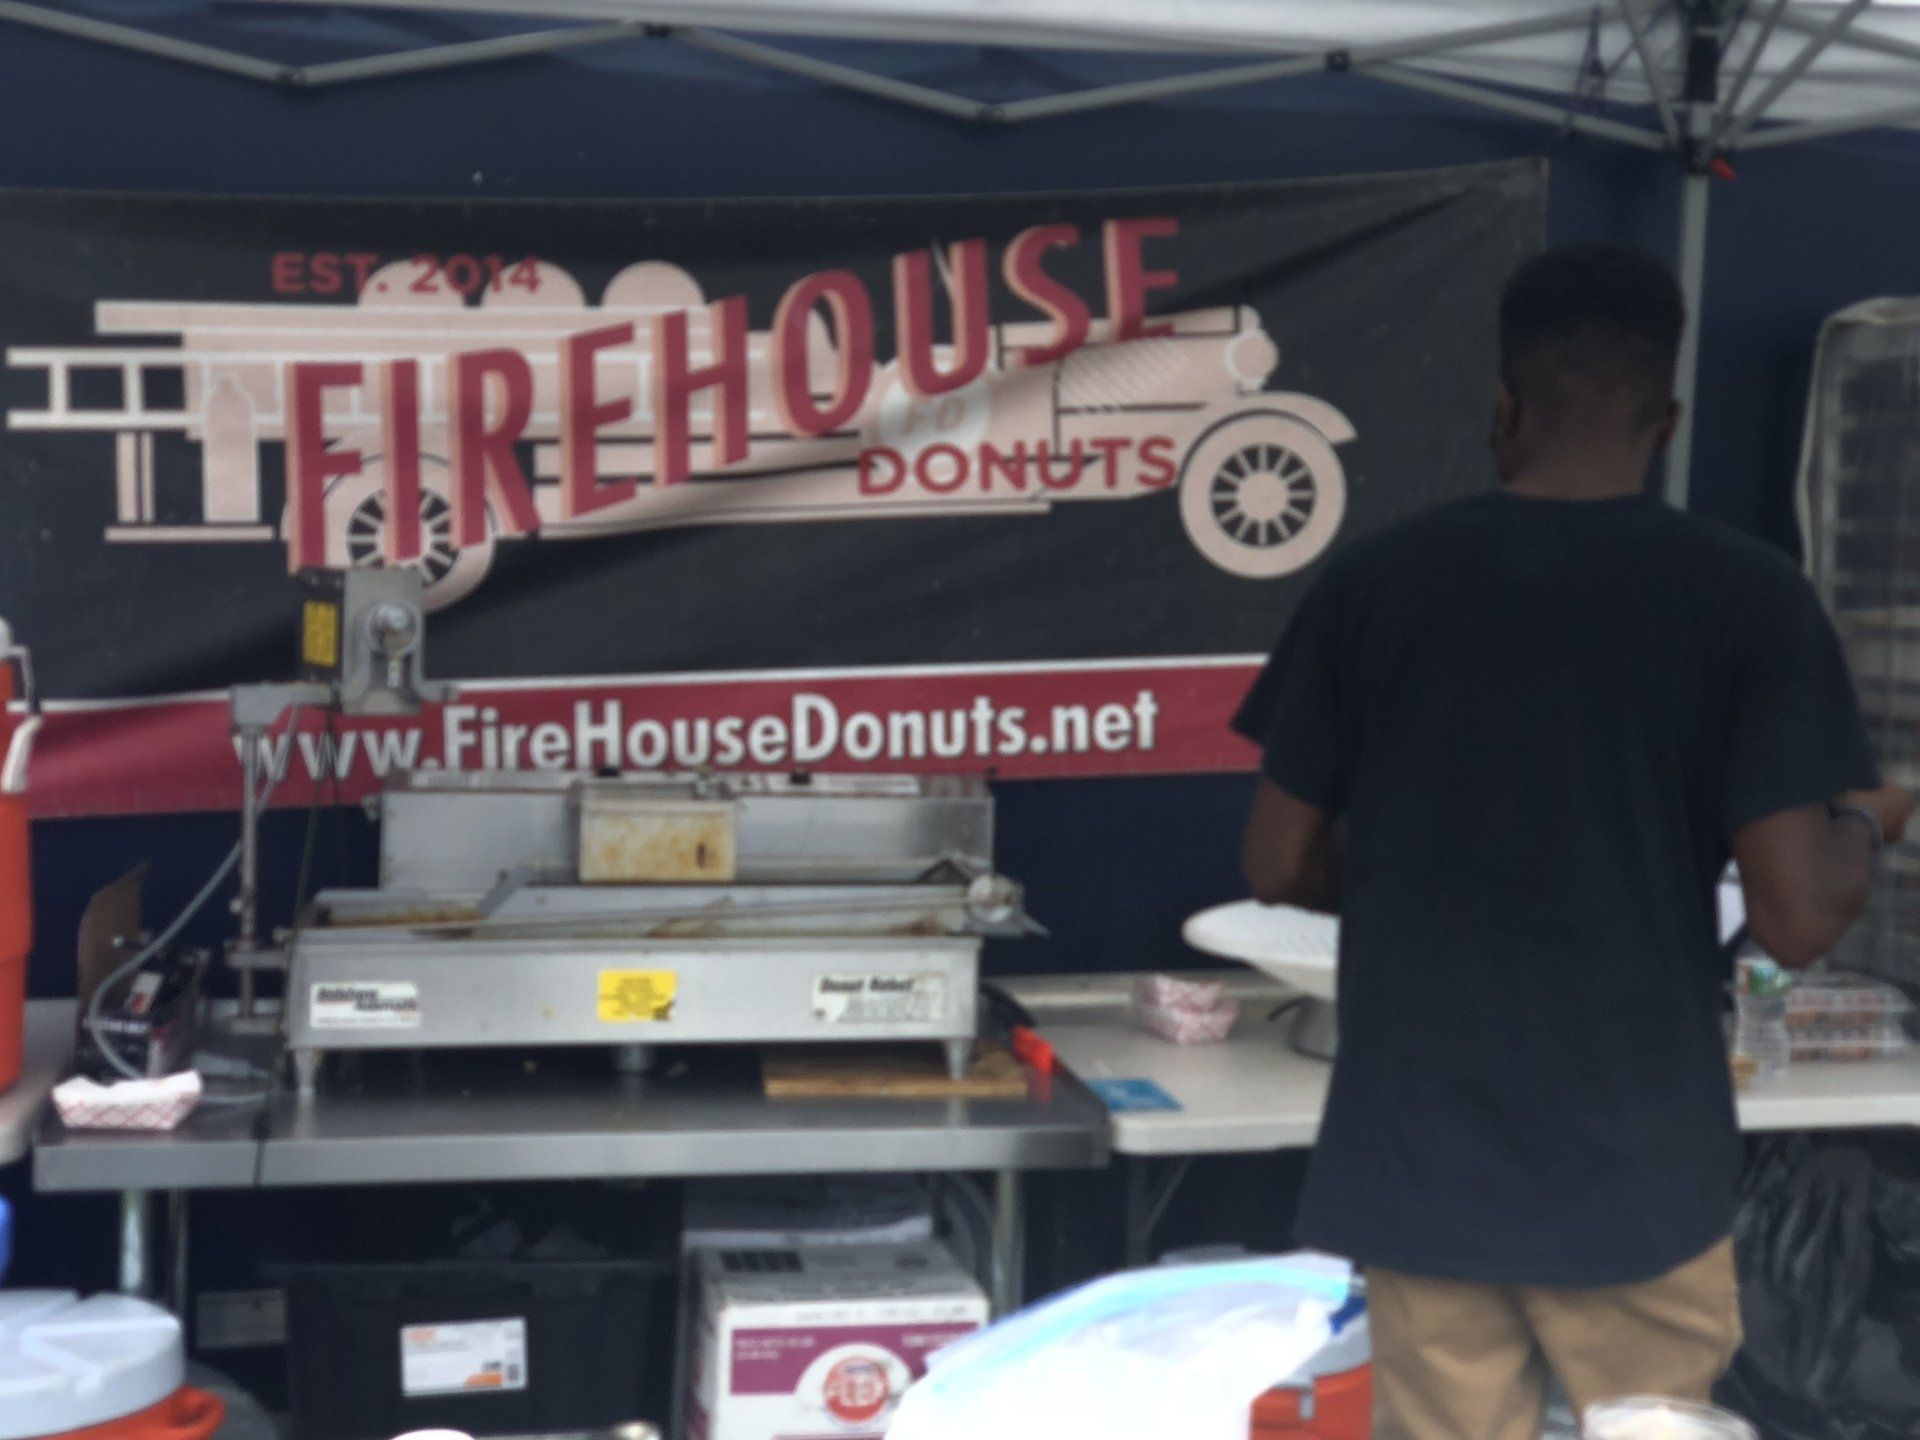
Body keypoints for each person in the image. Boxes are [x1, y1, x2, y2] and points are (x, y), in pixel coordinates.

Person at [1232, 243, 1915, 1439]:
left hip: (1421, 1152)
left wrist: (1409, 885)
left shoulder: (1378, 581)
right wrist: (1867, 817)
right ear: (1668, 422)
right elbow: (1799, 918)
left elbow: (1278, 864)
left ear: (1504, 409)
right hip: (1635, 1169)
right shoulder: (1744, 598)